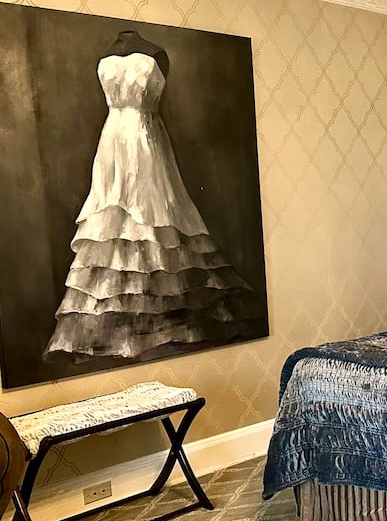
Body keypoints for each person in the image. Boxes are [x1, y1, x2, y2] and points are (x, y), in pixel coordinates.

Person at [45, 30, 261, 361]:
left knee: (152, 215)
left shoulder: (156, 53)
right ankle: (120, 319)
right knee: (113, 217)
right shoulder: (109, 50)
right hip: (112, 142)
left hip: (146, 139)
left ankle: (166, 313)